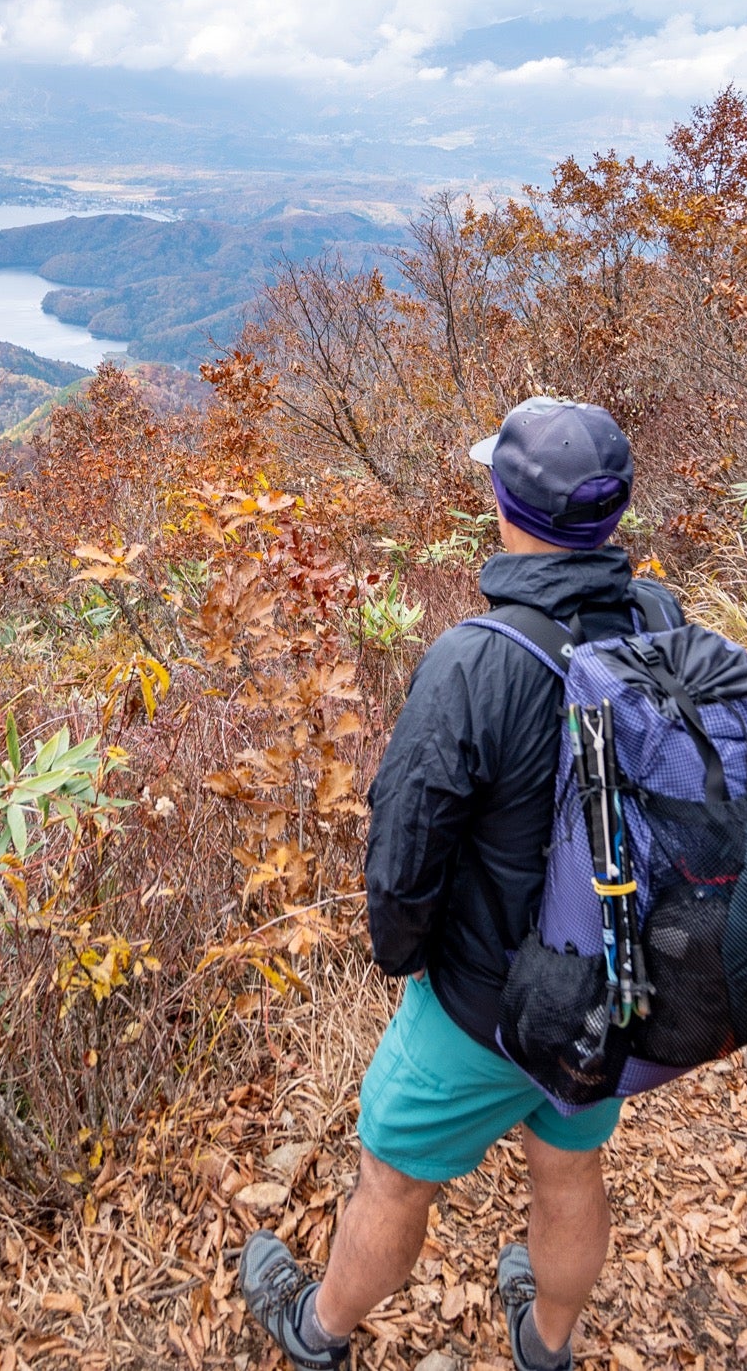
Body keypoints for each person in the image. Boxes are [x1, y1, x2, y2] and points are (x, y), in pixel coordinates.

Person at [239, 397, 681, 1371]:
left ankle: (318, 1333)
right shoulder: (658, 618)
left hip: (481, 1002)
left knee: (391, 1180)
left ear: (506, 508)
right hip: (605, 988)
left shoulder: (474, 661)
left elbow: (405, 852)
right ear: (610, 514)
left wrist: (406, 962)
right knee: (569, 1171)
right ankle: (547, 1342)